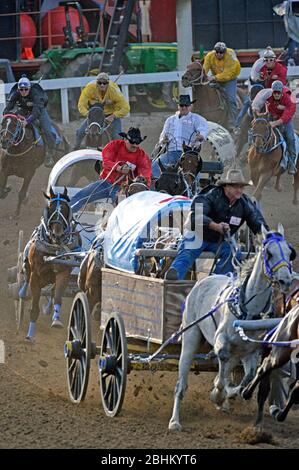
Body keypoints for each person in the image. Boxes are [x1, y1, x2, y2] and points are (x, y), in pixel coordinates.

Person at [165, 169, 267, 281]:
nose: (239, 190)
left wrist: (271, 238)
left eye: (241, 187)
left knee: (233, 254)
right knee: (188, 253)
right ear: (225, 187)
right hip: (197, 236)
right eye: (235, 186)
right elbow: (195, 217)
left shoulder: (245, 203)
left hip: (220, 241)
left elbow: (258, 222)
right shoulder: (209, 195)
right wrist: (215, 226)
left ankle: (216, 282)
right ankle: (172, 280)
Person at [70, 127, 152, 212]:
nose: (135, 145)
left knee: (120, 208)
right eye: (132, 142)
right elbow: (105, 162)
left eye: (137, 143)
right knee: (81, 196)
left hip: (123, 189)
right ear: (125, 139)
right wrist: (118, 167)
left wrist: (141, 181)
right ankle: (65, 217)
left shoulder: (142, 156)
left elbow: (145, 174)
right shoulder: (114, 145)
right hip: (105, 183)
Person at [3, 75, 57, 167]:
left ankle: (50, 154)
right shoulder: (16, 93)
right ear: (18, 89)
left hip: (39, 111)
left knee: (48, 131)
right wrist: (9, 115)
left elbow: (36, 112)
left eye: (26, 89)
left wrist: (27, 121)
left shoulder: (36, 94)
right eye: (21, 89)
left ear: (29, 88)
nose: (23, 92)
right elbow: (8, 108)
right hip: (23, 110)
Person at [151, 94, 208, 179]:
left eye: (186, 105)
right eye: (182, 105)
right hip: (171, 153)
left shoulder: (196, 119)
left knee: (193, 171)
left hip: (187, 153)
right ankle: (158, 187)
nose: (184, 107)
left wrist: (201, 136)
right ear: (178, 106)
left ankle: (194, 188)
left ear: (190, 106)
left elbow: (203, 129)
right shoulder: (170, 120)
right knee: (155, 165)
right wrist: (164, 139)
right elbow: (163, 134)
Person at [73, 72, 130, 150]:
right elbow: (81, 105)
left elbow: (126, 108)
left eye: (105, 83)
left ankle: (120, 157)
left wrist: (113, 116)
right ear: (97, 83)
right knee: (80, 132)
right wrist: (89, 114)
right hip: (95, 116)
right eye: (100, 83)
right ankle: (75, 150)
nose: (102, 85)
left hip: (111, 115)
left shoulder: (114, 91)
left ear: (108, 83)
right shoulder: (89, 89)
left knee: (117, 136)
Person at [252, 80, 297, 175]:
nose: (276, 95)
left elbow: (287, 115)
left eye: (278, 93)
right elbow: (257, 104)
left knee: (290, 138)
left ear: (282, 92)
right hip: (271, 116)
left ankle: (292, 162)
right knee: (257, 129)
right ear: (272, 92)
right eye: (274, 92)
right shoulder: (267, 95)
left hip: (285, 120)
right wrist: (257, 112)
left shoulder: (290, 99)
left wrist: (275, 123)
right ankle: (251, 150)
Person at [203, 41, 241, 130]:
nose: (219, 54)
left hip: (230, 79)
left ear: (225, 52)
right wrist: (203, 77)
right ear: (214, 51)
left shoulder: (230, 55)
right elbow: (205, 69)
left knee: (231, 99)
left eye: (221, 52)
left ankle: (233, 123)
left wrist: (214, 78)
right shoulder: (209, 56)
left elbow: (228, 74)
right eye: (217, 52)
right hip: (216, 77)